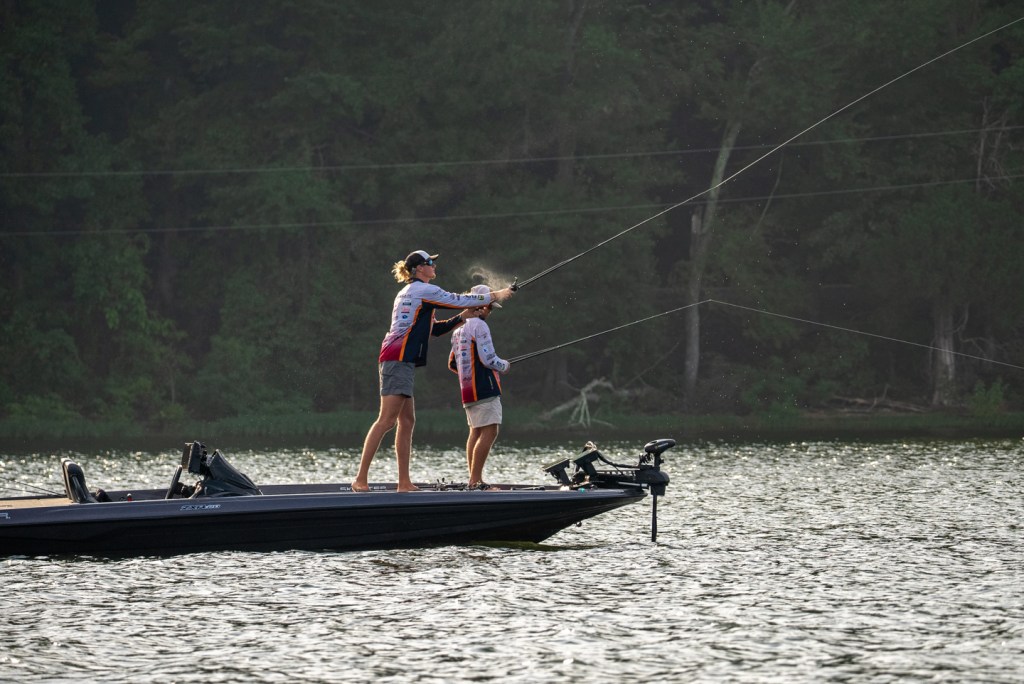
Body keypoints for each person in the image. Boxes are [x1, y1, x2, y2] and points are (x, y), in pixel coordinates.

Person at [352, 250, 513, 493]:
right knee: (386, 420)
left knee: (407, 421)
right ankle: (360, 480)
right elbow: (458, 299)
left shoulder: (410, 293)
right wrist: (496, 294)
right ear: (419, 268)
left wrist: (462, 318)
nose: (434, 266)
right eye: (430, 263)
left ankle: (404, 483)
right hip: (398, 358)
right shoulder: (423, 290)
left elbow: (434, 330)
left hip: (400, 359)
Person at [448, 284, 510, 490]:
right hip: (484, 386)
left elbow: (452, 363)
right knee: (490, 431)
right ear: (482, 306)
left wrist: (468, 374)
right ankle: (476, 481)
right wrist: (504, 365)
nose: (490, 312)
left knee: (475, 432)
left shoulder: (458, 329)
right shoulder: (479, 326)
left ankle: (473, 480)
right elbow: (489, 359)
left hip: (467, 390)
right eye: (490, 307)